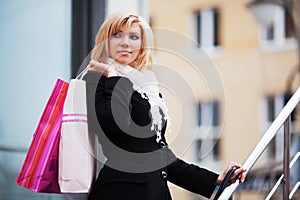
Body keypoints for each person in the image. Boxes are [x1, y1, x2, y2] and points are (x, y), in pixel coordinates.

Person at [86, 11, 246, 200]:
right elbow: (115, 124)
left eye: (134, 37)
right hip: (120, 192)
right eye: (117, 35)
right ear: (106, 41)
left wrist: (215, 180)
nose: (125, 42)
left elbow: (162, 158)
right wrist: (114, 76)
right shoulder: (98, 80)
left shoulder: (146, 87)